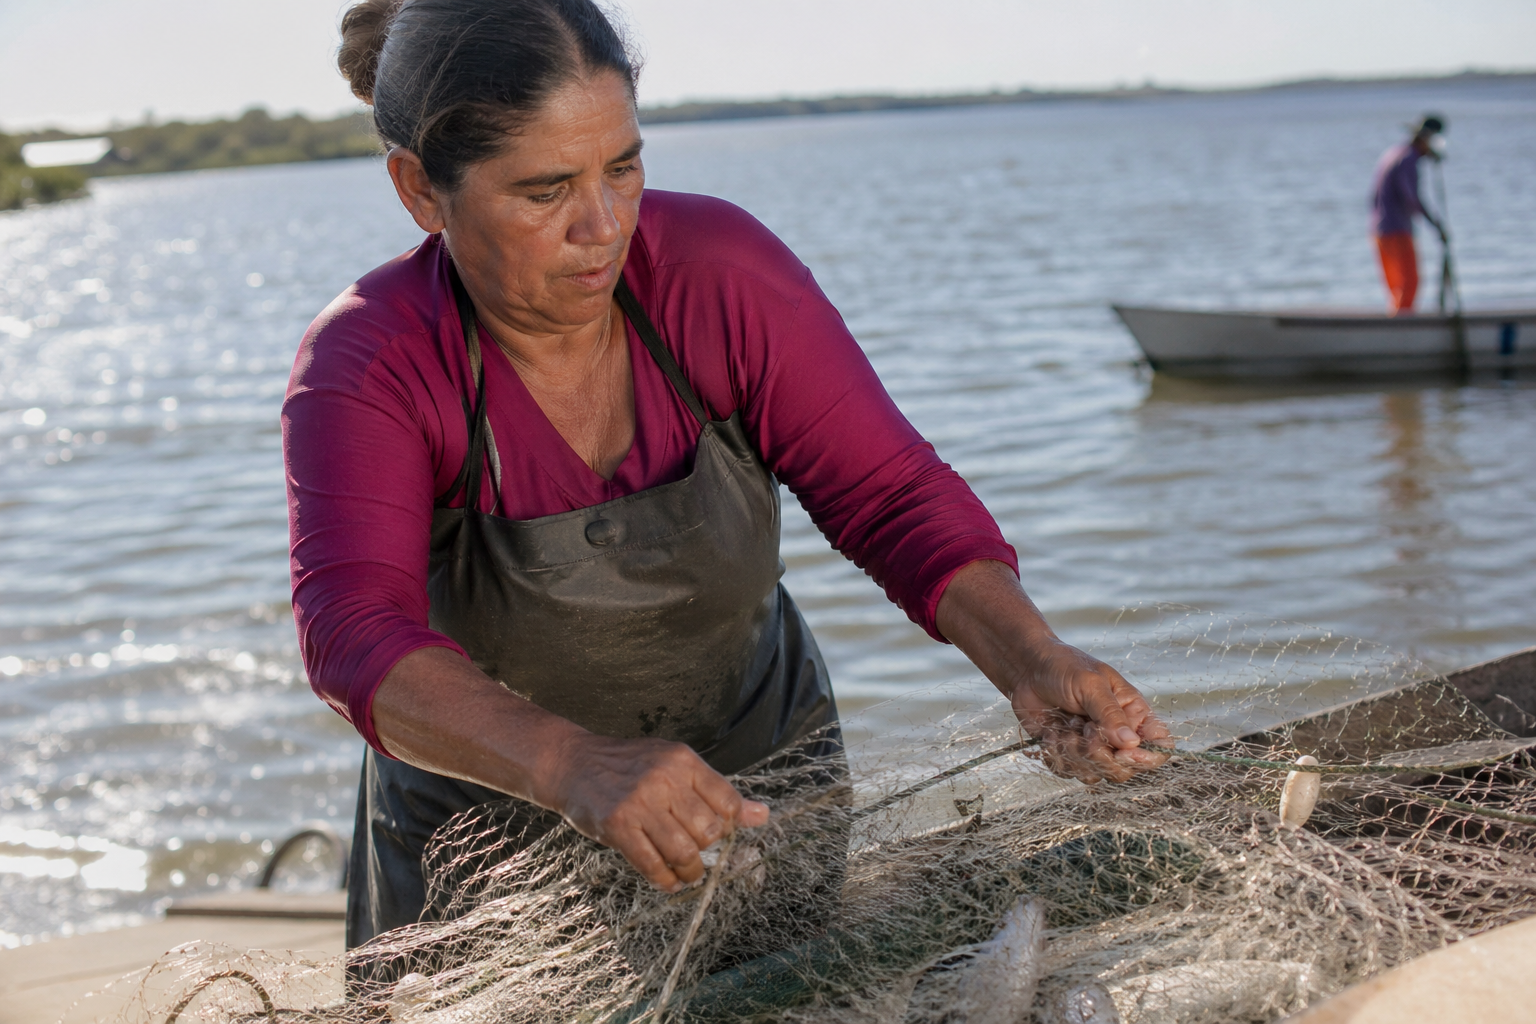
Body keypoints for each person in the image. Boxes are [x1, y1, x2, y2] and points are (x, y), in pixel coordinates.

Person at [285, 0, 1170, 950]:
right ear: (421, 190)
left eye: (623, 168)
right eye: (545, 192)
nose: (603, 226)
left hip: (757, 798)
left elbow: (890, 497)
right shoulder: (370, 362)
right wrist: (571, 763)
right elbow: (353, 634)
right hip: (481, 847)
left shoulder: (717, 272)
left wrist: (1029, 659)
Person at [1369, 114, 1447, 315]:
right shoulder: (1408, 159)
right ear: (1426, 139)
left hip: (1379, 229)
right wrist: (1436, 225)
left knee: (1397, 288)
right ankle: (1401, 328)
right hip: (1396, 230)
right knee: (1409, 283)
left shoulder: (1394, 153)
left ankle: (1395, 324)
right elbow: (1412, 199)